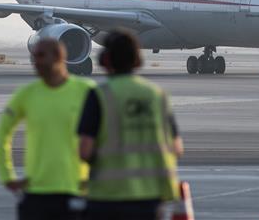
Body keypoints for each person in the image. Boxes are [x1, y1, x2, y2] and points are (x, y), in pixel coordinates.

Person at [78, 29, 183, 220]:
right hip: (149, 196)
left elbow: (84, 150)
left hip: (105, 196)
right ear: (138, 61)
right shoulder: (157, 95)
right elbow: (176, 148)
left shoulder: (99, 95)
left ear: (104, 60)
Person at [0, 38, 95, 220]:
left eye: (40, 56)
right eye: (34, 56)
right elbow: (1, 133)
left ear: (58, 57)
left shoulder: (86, 91)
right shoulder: (26, 94)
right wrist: (6, 175)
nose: (35, 62)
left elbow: (108, 135)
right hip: (37, 191)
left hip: (76, 188)